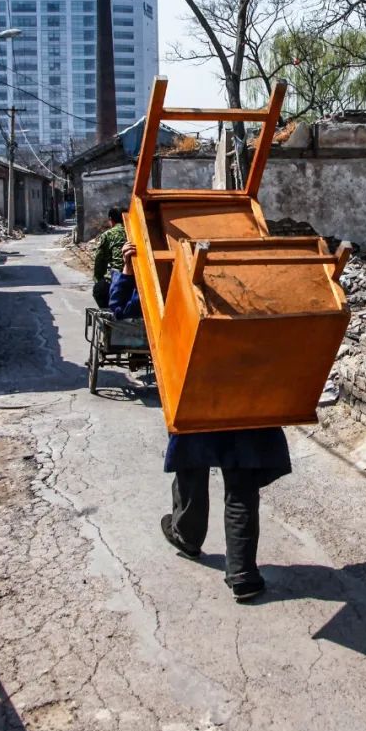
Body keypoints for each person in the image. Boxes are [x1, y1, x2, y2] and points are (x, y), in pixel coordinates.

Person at [109, 241, 290, 603]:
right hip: (245, 394)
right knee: (240, 485)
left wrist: (128, 272)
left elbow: (124, 310)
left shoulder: (175, 286)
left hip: (198, 391)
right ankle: (242, 575)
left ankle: (187, 537)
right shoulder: (253, 280)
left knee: (192, 471)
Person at [92, 207, 128, 308]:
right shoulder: (137, 232)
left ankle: (109, 316)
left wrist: (98, 280)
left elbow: (99, 262)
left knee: (99, 290)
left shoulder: (108, 235)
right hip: (140, 281)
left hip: (116, 280)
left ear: (111, 220)